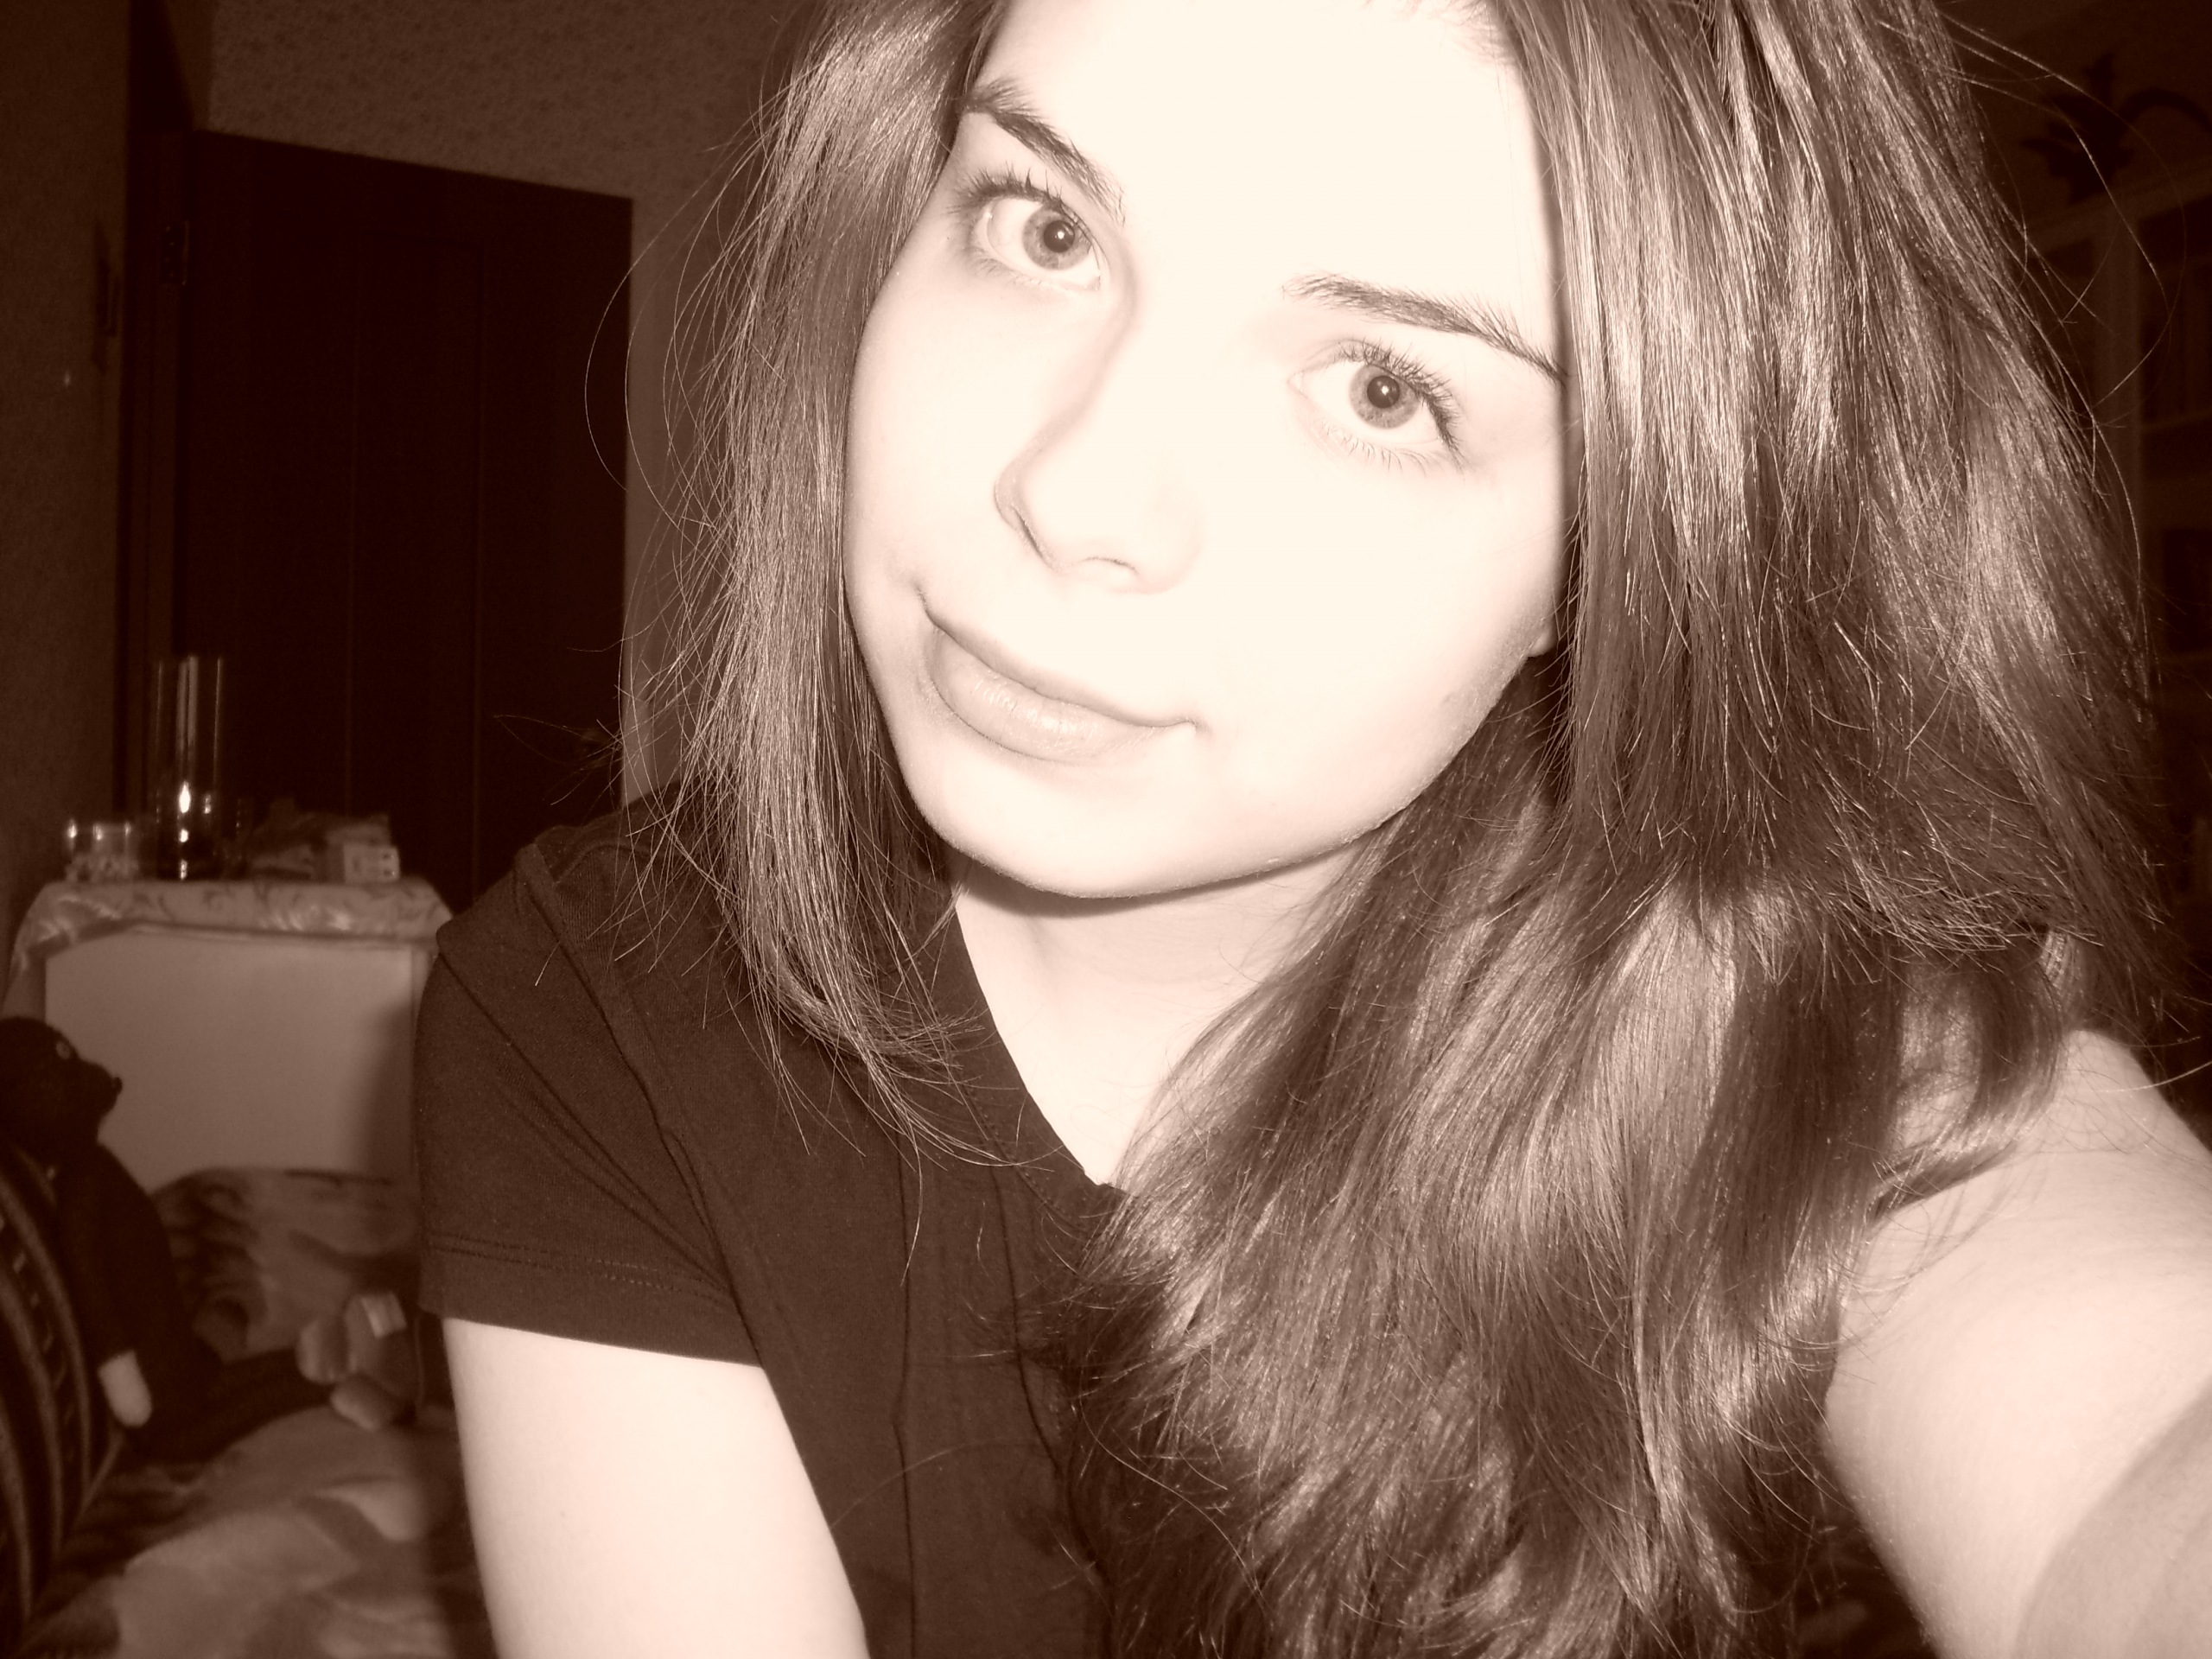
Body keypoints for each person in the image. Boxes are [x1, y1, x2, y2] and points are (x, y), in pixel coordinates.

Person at [413, 0, 2212, 1652]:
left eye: (1380, 389)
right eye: (1045, 229)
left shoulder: (1815, 1039)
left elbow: (2137, 1455)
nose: (1072, 492)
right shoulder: (603, 1009)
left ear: (1636, 547)